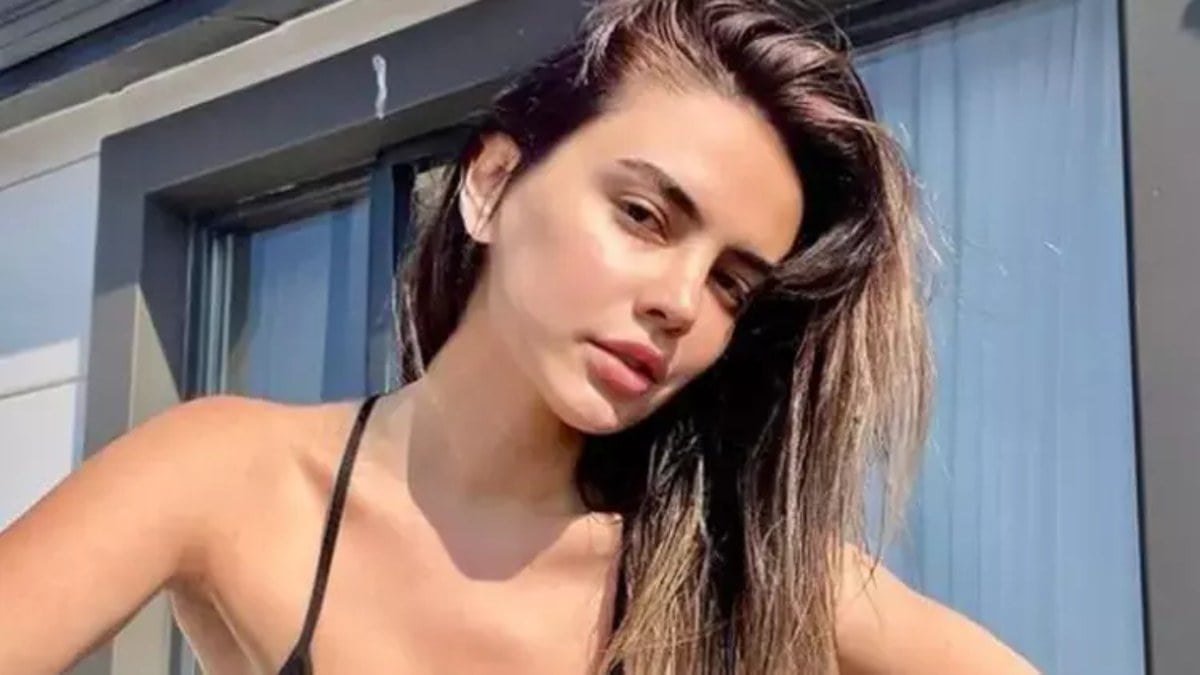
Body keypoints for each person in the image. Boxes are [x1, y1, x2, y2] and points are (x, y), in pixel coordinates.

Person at [0, 1, 1040, 673]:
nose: (682, 301)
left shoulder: (738, 569)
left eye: (732, 281)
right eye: (644, 216)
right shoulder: (231, 479)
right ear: (494, 184)